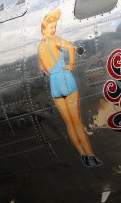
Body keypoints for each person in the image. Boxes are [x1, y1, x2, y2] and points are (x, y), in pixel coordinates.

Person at [39, 9, 99, 167]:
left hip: (54, 84)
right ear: (44, 29)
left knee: (69, 124)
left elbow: (43, 67)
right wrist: (70, 64)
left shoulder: (40, 47)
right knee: (77, 121)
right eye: (51, 27)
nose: (54, 30)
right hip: (65, 79)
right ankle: (91, 155)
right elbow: (71, 48)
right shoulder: (54, 39)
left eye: (54, 27)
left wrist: (53, 72)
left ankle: (83, 156)